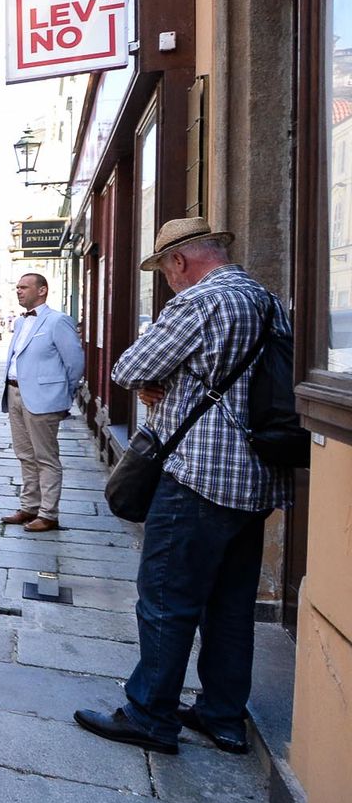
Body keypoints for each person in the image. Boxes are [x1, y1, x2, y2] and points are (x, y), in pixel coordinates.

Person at [75, 219, 292, 756]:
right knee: (232, 605)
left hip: (198, 474)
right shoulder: (267, 301)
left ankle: (150, 714)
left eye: (164, 271)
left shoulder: (200, 303)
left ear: (180, 261)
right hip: (256, 479)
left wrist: (161, 380)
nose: (168, 282)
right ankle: (222, 717)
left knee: (167, 600)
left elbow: (130, 366)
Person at [0, 273, 85, 532]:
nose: (19, 291)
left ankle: (49, 513)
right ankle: (29, 506)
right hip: (14, 393)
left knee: (45, 457)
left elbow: (75, 363)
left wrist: (62, 395)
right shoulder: (19, 322)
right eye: (17, 287)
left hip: (43, 399)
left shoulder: (58, 321)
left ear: (42, 290)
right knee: (25, 455)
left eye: (24, 287)